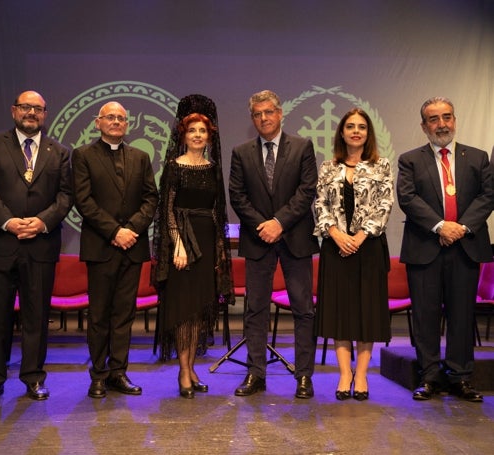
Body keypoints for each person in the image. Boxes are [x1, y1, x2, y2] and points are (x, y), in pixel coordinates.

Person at [0, 90, 73, 401]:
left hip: (40, 245)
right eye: (25, 107)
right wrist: (8, 221)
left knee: (37, 316)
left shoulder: (60, 152)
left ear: (45, 114)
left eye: (38, 109)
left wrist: (42, 221)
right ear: (14, 110)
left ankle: (33, 377)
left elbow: (66, 196)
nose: (31, 113)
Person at [397, 96, 493, 403]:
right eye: (434, 119)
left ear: (455, 119)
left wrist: (461, 227)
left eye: (447, 117)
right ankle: (430, 377)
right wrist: (440, 226)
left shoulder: (477, 158)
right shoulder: (410, 159)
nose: (442, 124)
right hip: (425, 247)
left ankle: (461, 378)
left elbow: (488, 196)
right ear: (424, 126)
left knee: (462, 316)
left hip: (465, 246)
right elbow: (408, 199)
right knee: (425, 316)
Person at [228, 89, 319, 399]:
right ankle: (256, 374)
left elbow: (307, 191)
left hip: (295, 238)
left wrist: (279, 222)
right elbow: (237, 196)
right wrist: (261, 226)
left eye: (268, 112)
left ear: (280, 114)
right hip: (257, 240)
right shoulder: (241, 152)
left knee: (303, 309)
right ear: (252, 118)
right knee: (254, 309)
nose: (263, 118)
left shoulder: (303, 147)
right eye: (257, 114)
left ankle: (304, 376)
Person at [72, 101, 158, 399]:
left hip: (132, 248)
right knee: (99, 315)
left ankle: (118, 372)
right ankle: (98, 375)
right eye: (110, 117)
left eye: (121, 118)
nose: (116, 122)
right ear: (98, 122)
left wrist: (131, 229)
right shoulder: (83, 155)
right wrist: (114, 232)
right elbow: (84, 201)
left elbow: (151, 198)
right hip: (101, 247)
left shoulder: (141, 157)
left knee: (124, 315)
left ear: (127, 124)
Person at [152, 95, 233, 399]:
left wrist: (221, 249)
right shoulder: (174, 167)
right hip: (183, 247)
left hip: (207, 244)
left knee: (200, 311)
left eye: (202, 131)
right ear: (183, 136)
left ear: (209, 136)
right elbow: (168, 210)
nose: (198, 135)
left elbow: (216, 211)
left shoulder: (212, 168)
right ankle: (183, 372)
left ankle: (192, 367)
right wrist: (179, 245)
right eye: (192, 130)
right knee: (184, 311)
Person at [313, 108, 394, 401]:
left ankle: (361, 375)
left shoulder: (381, 165)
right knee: (340, 311)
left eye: (361, 127)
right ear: (342, 133)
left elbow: (384, 205)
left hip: (369, 247)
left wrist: (358, 237)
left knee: (366, 312)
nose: (356, 131)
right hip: (336, 249)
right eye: (350, 126)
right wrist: (335, 234)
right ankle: (344, 373)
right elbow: (319, 205)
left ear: (368, 133)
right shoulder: (328, 167)